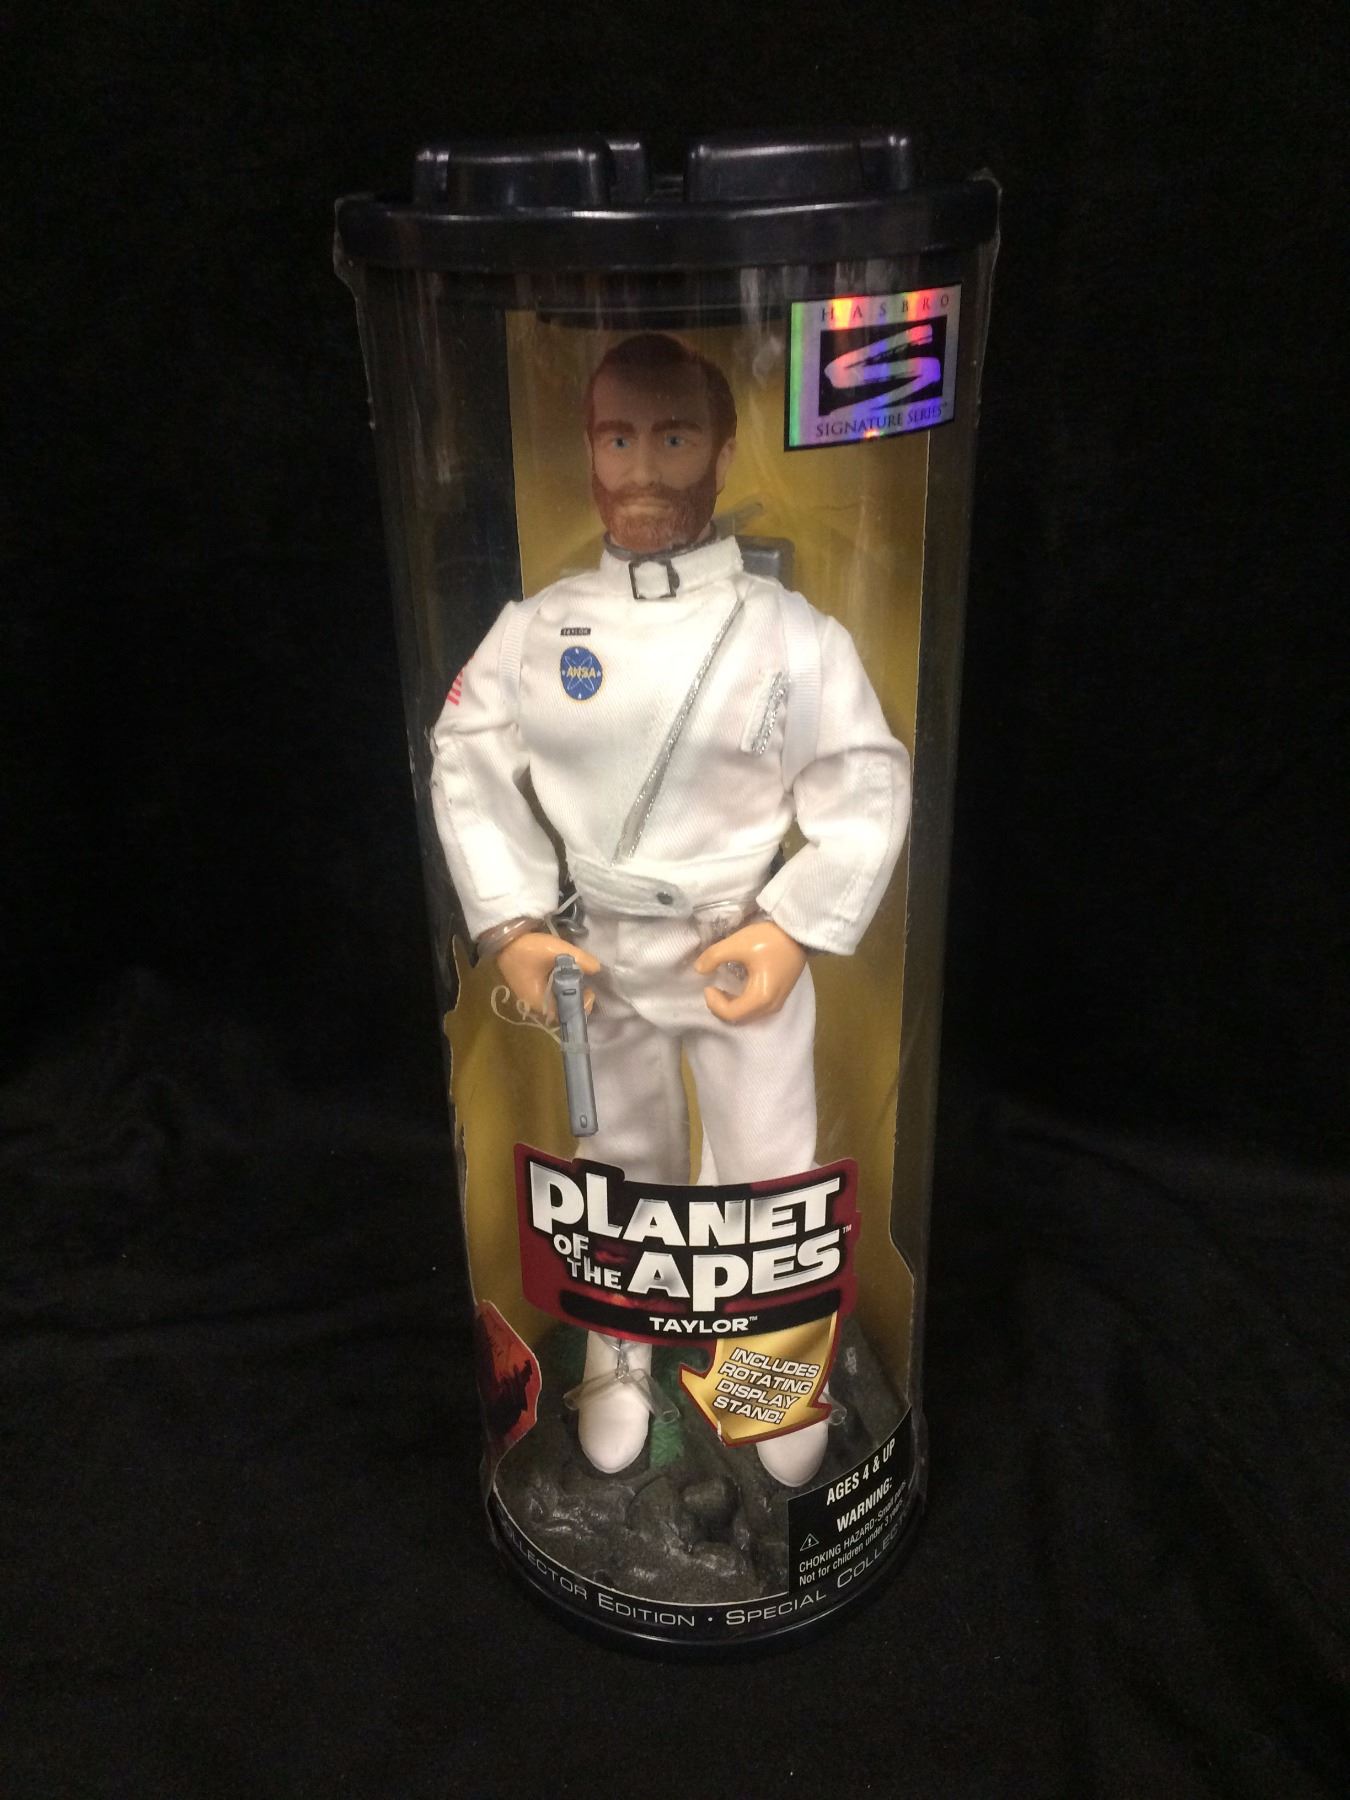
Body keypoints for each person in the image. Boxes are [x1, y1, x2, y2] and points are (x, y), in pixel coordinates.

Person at [431, 332, 910, 1485]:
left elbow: (866, 777)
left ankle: (768, 1370)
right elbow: (464, 754)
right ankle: (620, 1350)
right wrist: (515, 926)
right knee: (620, 1162)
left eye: (674, 436)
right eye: (618, 438)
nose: (642, 467)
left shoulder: (792, 634)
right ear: (590, 453)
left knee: (767, 1173)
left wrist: (792, 925)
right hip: (597, 954)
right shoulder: (542, 627)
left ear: (722, 452)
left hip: (737, 945)